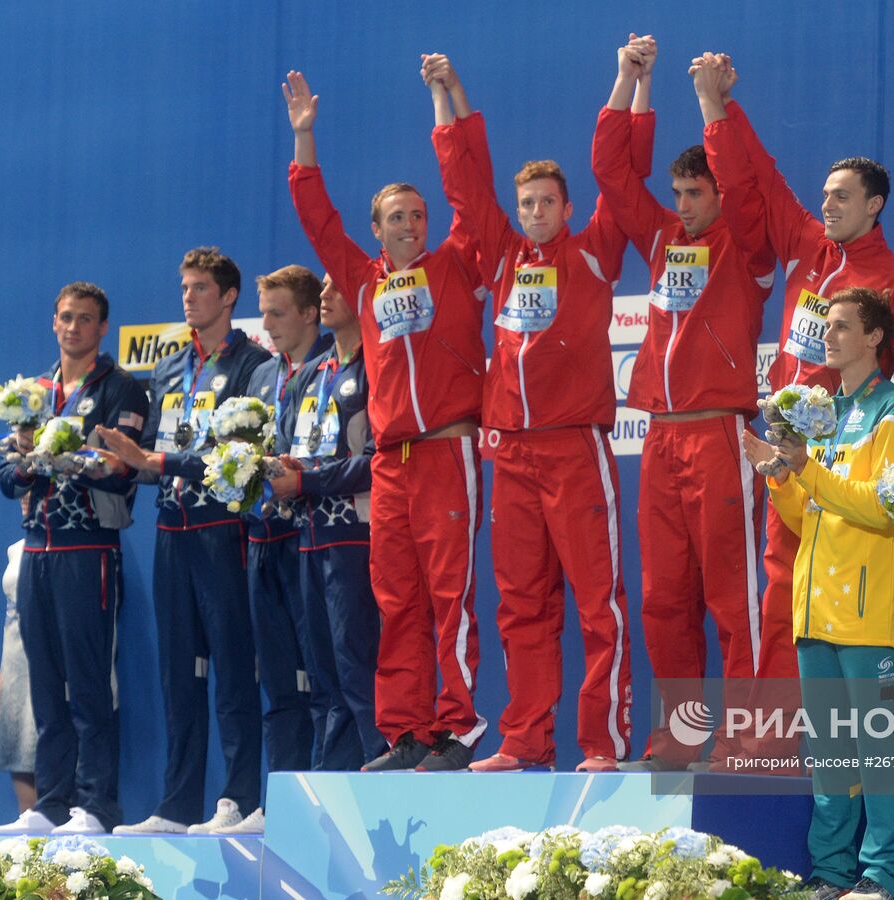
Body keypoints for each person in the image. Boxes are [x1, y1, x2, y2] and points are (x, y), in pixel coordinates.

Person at [693, 52, 894, 691]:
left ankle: (852, 754)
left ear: (875, 204)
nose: (827, 205)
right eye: (825, 195)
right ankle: (780, 741)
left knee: (842, 609)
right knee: (779, 588)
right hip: (788, 459)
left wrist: (893, 477)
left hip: (851, 471)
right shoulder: (806, 246)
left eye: (843, 197)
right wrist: (716, 106)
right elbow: (758, 182)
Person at [424, 52, 633, 772]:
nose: (536, 213)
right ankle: (523, 739)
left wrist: (627, 80)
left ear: (568, 209)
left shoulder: (595, 252)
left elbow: (615, 169)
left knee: (595, 602)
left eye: (548, 202)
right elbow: (466, 187)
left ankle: (601, 743)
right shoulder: (505, 255)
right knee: (519, 605)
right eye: (528, 204)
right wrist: (448, 94)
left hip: (575, 448)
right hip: (508, 450)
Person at [285, 69, 488, 772]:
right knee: (396, 601)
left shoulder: (457, 263)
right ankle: (404, 732)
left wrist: (443, 101)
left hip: (446, 452)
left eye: (416, 215)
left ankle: (457, 728)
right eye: (396, 217)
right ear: (375, 232)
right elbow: (316, 216)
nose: (409, 224)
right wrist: (305, 136)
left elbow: (469, 188)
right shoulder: (363, 278)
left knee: (447, 596)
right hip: (390, 463)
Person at [591, 35, 773, 771]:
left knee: (734, 601)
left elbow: (746, 178)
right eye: (679, 195)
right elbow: (609, 170)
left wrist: (712, 102)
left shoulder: (749, 248)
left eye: (698, 194)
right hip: (660, 439)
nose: (685, 206)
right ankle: (685, 735)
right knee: (666, 602)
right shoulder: (665, 239)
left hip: (721, 435)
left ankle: (752, 738)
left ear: (721, 195)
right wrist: (630, 83)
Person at [744, 287, 894, 900]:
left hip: (872, 611)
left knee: (880, 756)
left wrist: (809, 470)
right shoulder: (819, 415)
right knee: (829, 758)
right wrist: (778, 476)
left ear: (875, 337)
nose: (830, 335)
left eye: (844, 326)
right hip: (816, 608)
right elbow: (811, 516)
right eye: (828, 326)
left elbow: (887, 510)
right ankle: (831, 872)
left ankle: (881, 877)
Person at [99, 248, 270, 834]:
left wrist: (157, 458)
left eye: (200, 288)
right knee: (180, 673)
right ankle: (176, 805)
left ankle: (240, 800)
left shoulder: (253, 364)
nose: (188, 298)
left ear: (229, 298)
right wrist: (116, 463)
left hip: (224, 530)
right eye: (184, 288)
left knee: (232, 666)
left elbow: (240, 457)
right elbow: (148, 456)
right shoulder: (169, 369)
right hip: (171, 529)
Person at [0, 281, 149, 835]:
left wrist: (66, 459)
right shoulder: (33, 391)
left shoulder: (122, 389)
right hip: (37, 548)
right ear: (53, 322)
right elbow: (7, 473)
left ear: (103, 328)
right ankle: (49, 805)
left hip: (89, 549)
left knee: (87, 683)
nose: (74, 327)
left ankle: (96, 805)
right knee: (44, 683)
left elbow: (122, 465)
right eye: (66, 317)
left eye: (86, 319)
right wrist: (31, 466)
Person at [221, 264, 333, 835]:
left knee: (321, 680)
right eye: (262, 313)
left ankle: (320, 803)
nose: (265, 325)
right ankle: (281, 801)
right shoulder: (263, 375)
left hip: (314, 543)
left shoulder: (330, 368)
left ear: (311, 312)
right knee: (278, 685)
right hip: (263, 540)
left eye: (277, 313)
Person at [270, 274, 386, 774]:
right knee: (321, 673)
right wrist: (283, 472)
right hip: (307, 537)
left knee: (357, 664)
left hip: (356, 536)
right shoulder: (309, 374)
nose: (325, 296)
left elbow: (380, 460)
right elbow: (291, 451)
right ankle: (332, 778)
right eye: (322, 288)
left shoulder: (380, 366)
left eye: (338, 287)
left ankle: (379, 768)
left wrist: (309, 483)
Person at [0, 537, 37, 817]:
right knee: (25, 790)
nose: (25, 498)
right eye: (21, 493)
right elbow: (11, 636)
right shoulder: (15, 550)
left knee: (53, 785)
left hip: (51, 670)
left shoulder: (64, 548)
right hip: (17, 673)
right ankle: (27, 856)